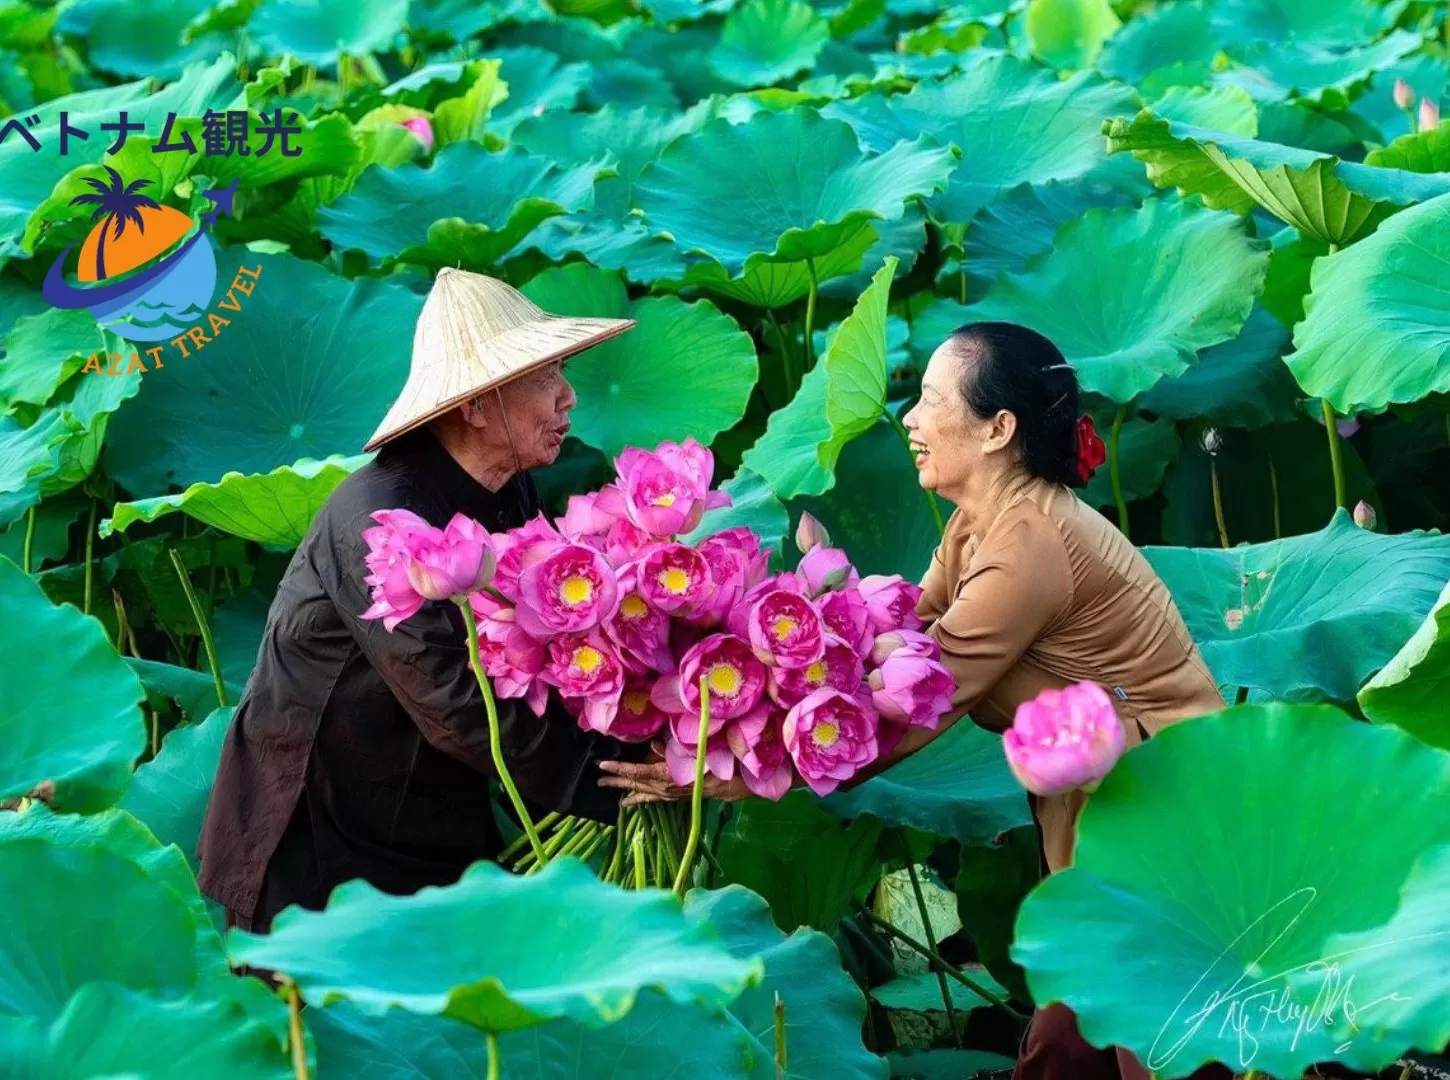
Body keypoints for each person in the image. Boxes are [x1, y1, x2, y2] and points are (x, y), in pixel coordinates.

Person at [600, 321, 1229, 1080]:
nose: (910, 419)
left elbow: (922, 698)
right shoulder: (979, 525)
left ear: (998, 429)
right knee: (1070, 1036)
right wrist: (764, 656)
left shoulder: (1029, 542)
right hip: (1099, 795)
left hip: (1164, 802)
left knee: (1151, 1041)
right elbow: (894, 638)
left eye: (931, 401)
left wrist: (747, 769)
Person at [197, 268, 646, 938]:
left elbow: (547, 642)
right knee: (335, 1035)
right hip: (316, 837)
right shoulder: (381, 521)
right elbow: (458, 703)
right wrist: (632, 774)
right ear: (475, 405)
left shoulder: (508, 491)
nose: (569, 397)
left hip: (430, 812)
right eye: (547, 377)